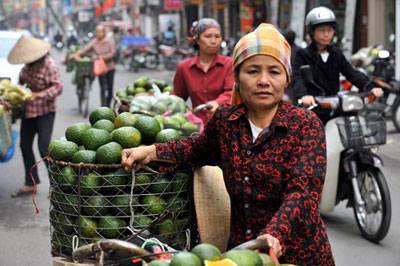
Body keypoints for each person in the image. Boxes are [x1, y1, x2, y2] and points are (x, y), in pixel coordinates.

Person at [121, 23, 335, 266]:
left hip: (298, 254)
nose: (263, 80)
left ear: (286, 78)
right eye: (253, 71)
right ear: (236, 76)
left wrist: (275, 233)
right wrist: (151, 151)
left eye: (274, 72)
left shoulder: (305, 124)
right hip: (239, 255)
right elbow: (197, 150)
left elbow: (303, 191)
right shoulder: (226, 120)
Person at [291, 6, 382, 124]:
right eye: (322, 30)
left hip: (335, 105)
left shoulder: (336, 54)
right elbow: (297, 77)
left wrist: (370, 88)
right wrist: (303, 96)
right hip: (313, 107)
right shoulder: (303, 54)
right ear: (311, 32)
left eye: (330, 30)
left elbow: (351, 73)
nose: (326, 34)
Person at [7, 35, 63, 197]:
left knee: (43, 148)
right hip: (29, 111)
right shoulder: (27, 66)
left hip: (46, 111)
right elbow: (21, 84)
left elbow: (58, 87)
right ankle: (30, 183)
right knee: (25, 146)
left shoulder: (49, 64)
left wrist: (39, 95)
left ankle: (57, 186)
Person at [173, 18, 234, 123]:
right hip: (196, 126)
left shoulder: (229, 64)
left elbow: (232, 91)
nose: (213, 41)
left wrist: (218, 102)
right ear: (197, 39)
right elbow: (178, 98)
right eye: (208, 36)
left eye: (217, 36)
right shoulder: (184, 67)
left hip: (225, 124)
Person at [70, 25, 116, 107]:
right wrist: (75, 54)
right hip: (100, 69)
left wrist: (102, 57)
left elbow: (112, 53)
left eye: (100, 32)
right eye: (97, 32)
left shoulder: (109, 42)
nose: (99, 34)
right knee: (102, 88)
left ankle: (108, 105)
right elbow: (85, 50)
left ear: (104, 33)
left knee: (110, 90)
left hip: (110, 68)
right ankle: (103, 107)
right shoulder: (94, 42)